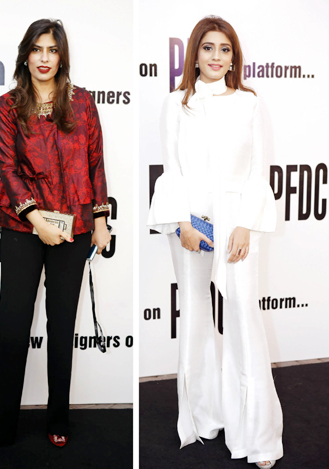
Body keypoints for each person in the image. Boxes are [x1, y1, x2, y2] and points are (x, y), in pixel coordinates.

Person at [0, 18, 111, 454]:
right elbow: (7, 170)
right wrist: (37, 222)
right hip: (22, 227)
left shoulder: (82, 103)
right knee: (12, 326)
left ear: (62, 56)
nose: (44, 58)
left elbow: (96, 163)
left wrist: (100, 220)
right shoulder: (8, 106)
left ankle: (58, 419)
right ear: (25, 55)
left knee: (62, 326)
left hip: (76, 227)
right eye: (37, 49)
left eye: (52, 49)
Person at [147, 16, 282, 468]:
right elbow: (171, 169)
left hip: (238, 221)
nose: (216, 56)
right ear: (195, 54)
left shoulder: (249, 103)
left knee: (243, 316)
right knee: (195, 316)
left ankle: (258, 438)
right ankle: (205, 417)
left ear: (234, 58)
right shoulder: (175, 103)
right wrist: (182, 222)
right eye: (208, 47)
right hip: (191, 221)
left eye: (225, 49)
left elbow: (258, 172)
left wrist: (244, 224)